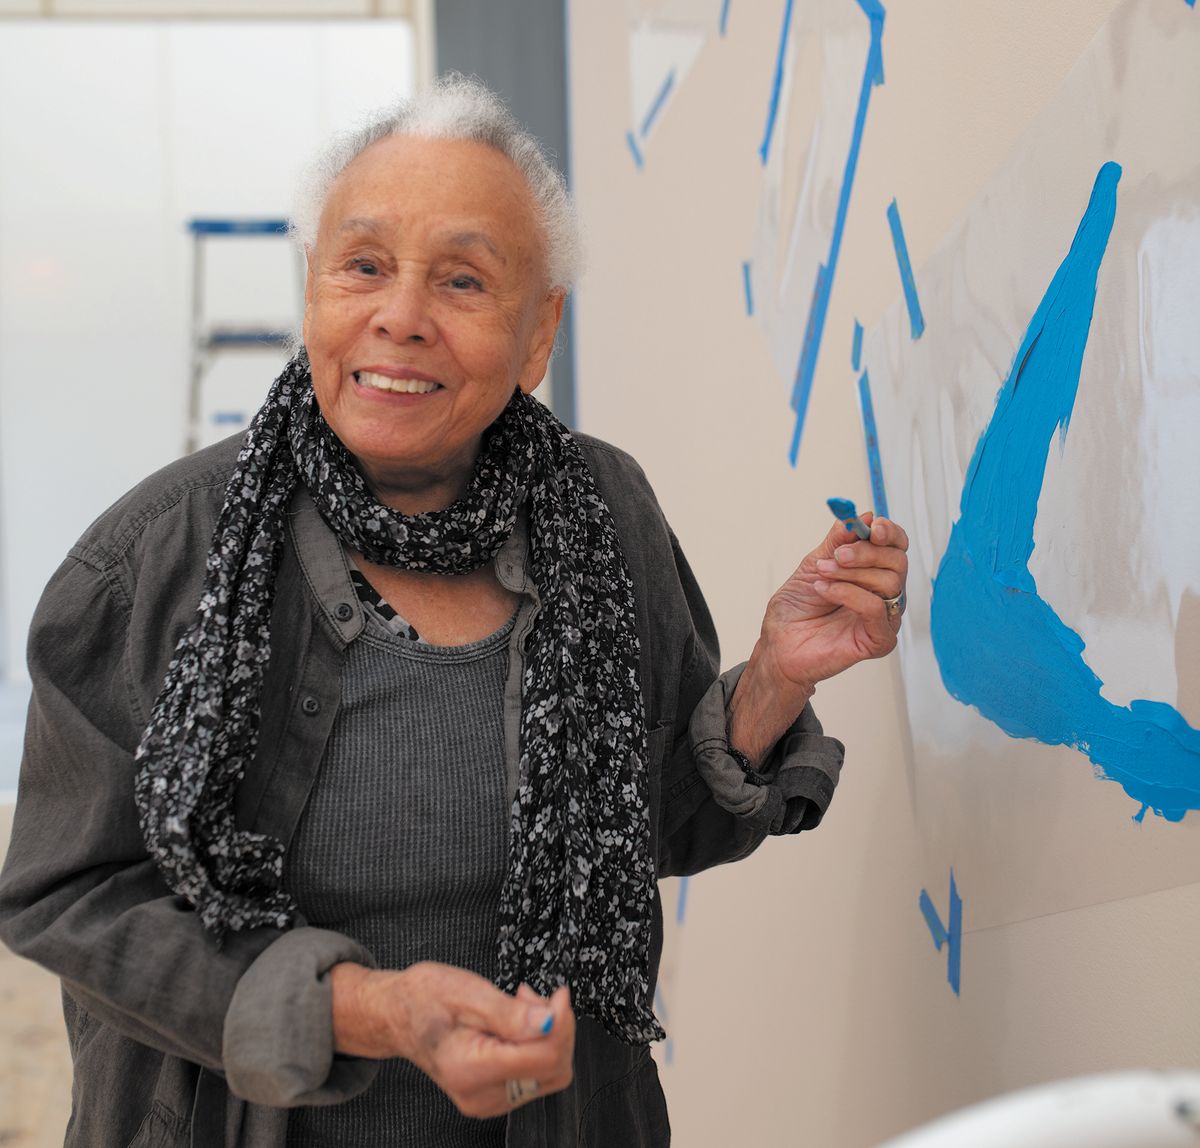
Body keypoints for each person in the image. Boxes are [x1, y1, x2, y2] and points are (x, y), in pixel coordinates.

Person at [0, 76, 908, 1147]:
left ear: (539, 332)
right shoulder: (151, 561)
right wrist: (364, 1012)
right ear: (312, 290)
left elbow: (640, 829)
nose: (401, 316)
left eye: (464, 279)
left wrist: (774, 680)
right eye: (363, 266)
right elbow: (69, 897)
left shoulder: (601, 519)